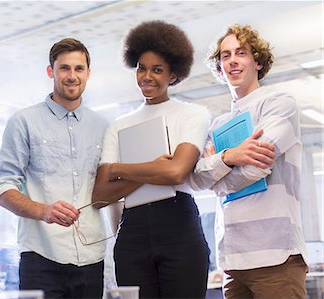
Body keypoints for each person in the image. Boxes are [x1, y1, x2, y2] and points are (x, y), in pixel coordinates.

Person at [92, 20, 211, 298]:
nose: (147, 76)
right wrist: (154, 167)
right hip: (131, 232)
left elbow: (176, 173)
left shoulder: (192, 115)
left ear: (173, 75)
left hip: (179, 227)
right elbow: (100, 196)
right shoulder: (118, 126)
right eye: (141, 68)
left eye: (158, 70)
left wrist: (120, 169)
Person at [190, 24, 308, 299]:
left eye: (240, 52)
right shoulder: (217, 125)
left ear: (257, 60)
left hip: (276, 256)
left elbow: (256, 166)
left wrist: (218, 175)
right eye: (225, 55)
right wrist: (230, 156)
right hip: (233, 262)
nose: (232, 60)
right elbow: (196, 178)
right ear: (219, 68)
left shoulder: (279, 104)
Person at [0, 38, 109, 298]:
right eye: (64, 68)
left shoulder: (103, 126)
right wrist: (44, 211)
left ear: (88, 73)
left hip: (92, 258)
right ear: (51, 72)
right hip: (41, 257)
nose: (72, 76)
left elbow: (110, 188)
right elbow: (2, 187)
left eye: (79, 69)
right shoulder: (23, 121)